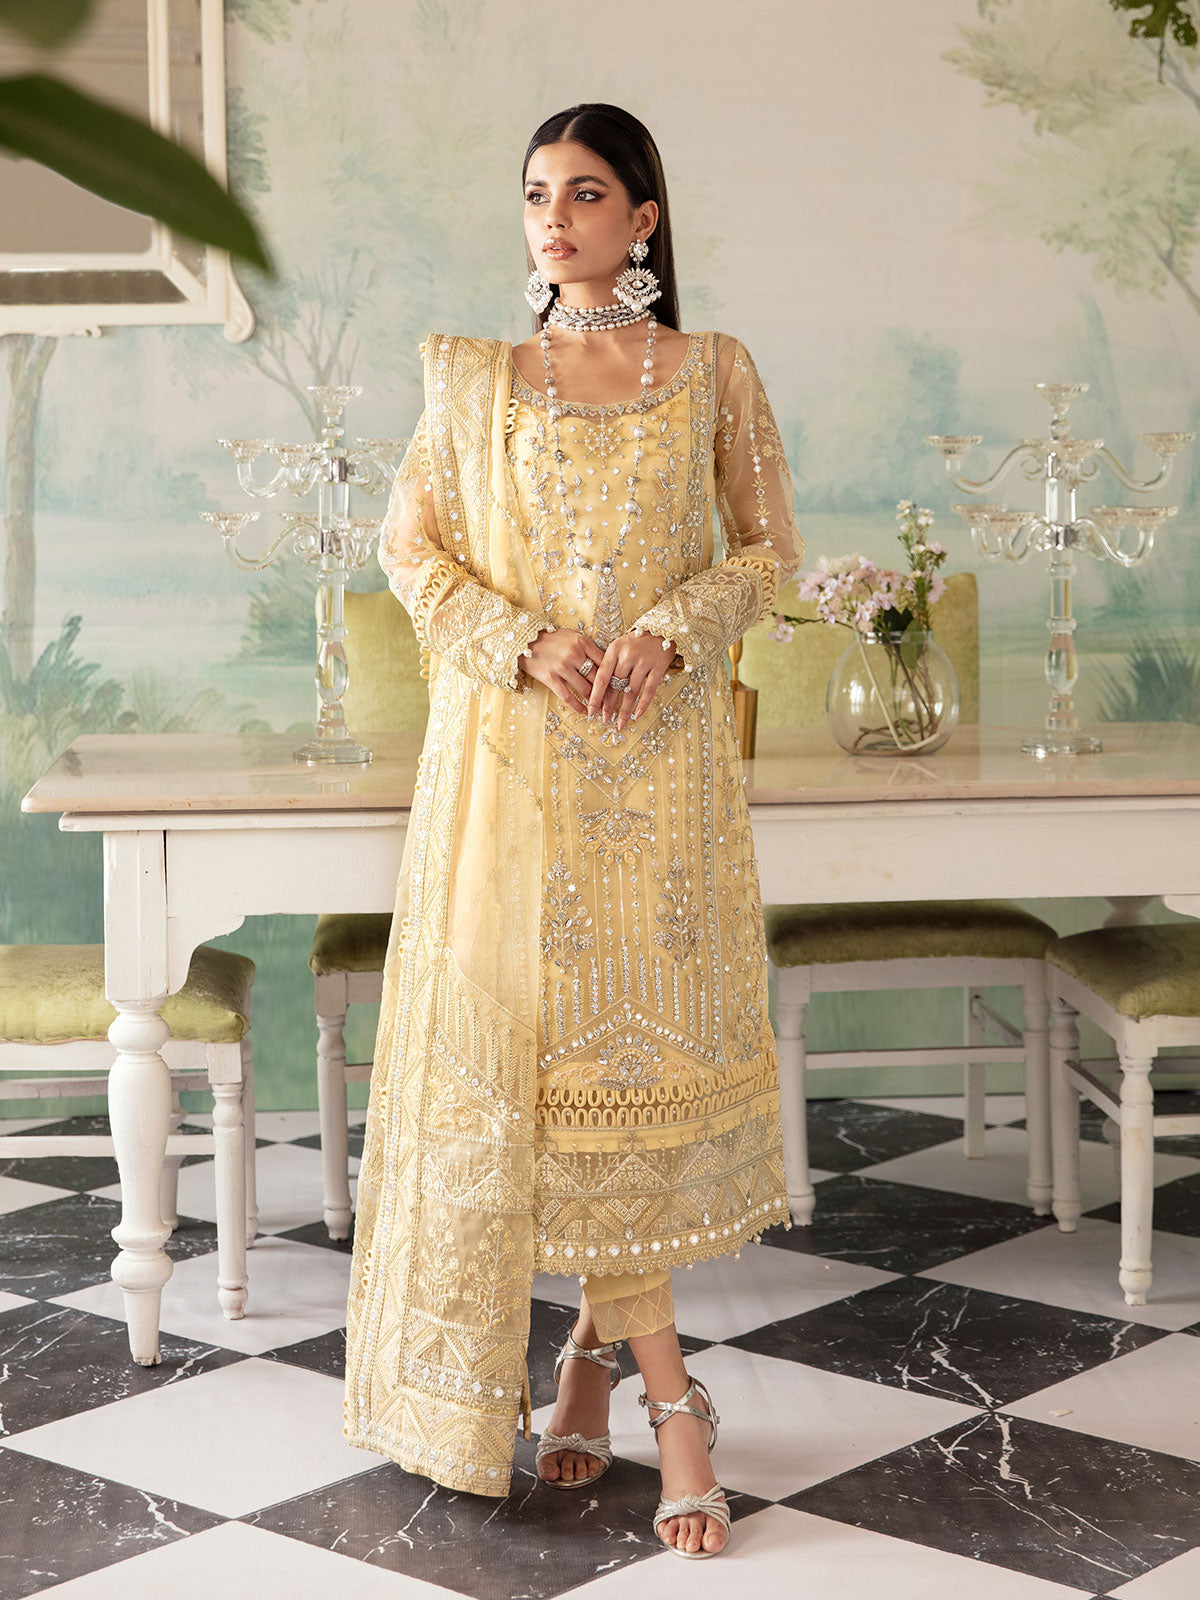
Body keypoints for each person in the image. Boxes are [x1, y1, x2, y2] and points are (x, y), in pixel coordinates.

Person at [343, 102, 803, 1561]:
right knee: (547, 1087)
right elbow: (412, 551)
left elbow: (767, 552)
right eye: (538, 194)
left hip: (662, 786)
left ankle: (597, 1367)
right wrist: (526, 643)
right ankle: (672, 1402)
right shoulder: (475, 380)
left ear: (643, 218)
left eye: (587, 194)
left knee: (629, 1087)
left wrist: (673, 631)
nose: (555, 219)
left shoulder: (712, 371)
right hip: (518, 775)